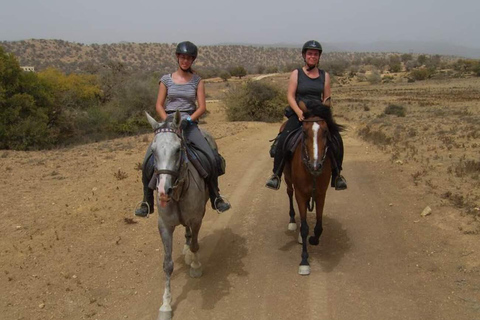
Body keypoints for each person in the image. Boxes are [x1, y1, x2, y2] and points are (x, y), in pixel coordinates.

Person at [135, 41, 231, 216]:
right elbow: (158, 105)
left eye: (188, 58)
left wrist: (188, 120)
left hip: (189, 122)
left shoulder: (197, 81)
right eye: (182, 57)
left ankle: (216, 196)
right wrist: (168, 124)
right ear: (177, 57)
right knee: (148, 160)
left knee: (210, 156)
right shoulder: (165, 79)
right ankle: (146, 201)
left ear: (192, 60)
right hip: (169, 122)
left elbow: (202, 106)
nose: (185, 61)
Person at [265, 40, 347, 191]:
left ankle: (337, 175)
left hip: (318, 115)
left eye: (315, 54)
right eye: (310, 53)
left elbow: (327, 99)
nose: (312, 56)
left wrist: (325, 117)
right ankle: (276, 175)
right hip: (300, 113)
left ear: (319, 57)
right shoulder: (297, 73)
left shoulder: (325, 76)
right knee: (283, 138)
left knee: (336, 139)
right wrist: (298, 112)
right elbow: (290, 96)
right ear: (304, 55)